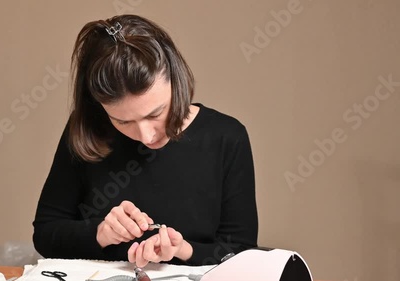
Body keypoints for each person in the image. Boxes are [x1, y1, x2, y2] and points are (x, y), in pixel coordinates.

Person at [33, 14, 258, 267]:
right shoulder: (89, 129)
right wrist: (101, 233)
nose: (146, 136)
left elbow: (240, 253)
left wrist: (182, 250)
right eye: (122, 121)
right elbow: (45, 235)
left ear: (177, 80)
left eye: (155, 113)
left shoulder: (226, 137)